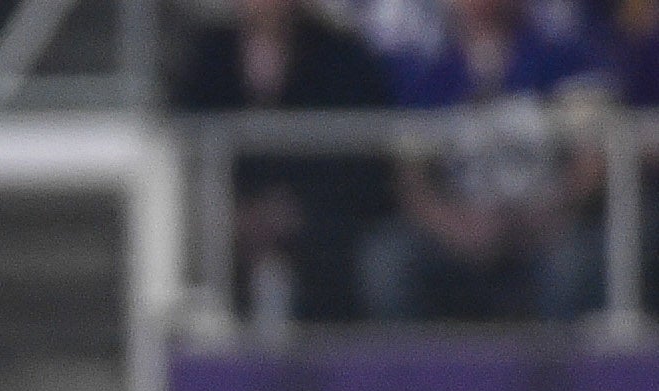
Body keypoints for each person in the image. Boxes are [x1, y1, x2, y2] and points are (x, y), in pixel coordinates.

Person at [364, 0, 608, 324]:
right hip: (461, 228)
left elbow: (593, 159)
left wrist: (550, 213)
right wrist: (454, 226)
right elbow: (411, 179)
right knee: (390, 259)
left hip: (549, 224)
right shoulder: (429, 72)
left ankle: (555, 374)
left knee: (575, 264)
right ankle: (417, 373)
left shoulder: (563, 59)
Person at [169, 0, 396, 331]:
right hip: (228, 223)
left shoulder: (340, 55)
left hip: (321, 229)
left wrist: (296, 210)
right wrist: (237, 211)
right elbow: (185, 142)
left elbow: (360, 157)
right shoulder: (209, 55)